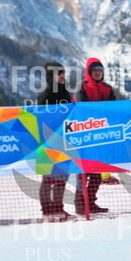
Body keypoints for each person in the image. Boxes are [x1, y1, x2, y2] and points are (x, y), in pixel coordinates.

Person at [74, 57, 116, 215]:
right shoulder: (82, 87)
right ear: (89, 72)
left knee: (97, 173)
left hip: (102, 136)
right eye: (95, 70)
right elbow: (81, 109)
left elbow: (115, 109)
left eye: (100, 70)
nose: (98, 73)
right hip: (84, 136)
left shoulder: (107, 88)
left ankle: (90, 202)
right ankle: (80, 204)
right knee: (83, 173)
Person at [37, 62, 74, 222]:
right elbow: (40, 119)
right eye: (58, 73)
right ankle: (47, 210)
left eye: (63, 72)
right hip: (48, 141)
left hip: (64, 140)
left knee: (62, 176)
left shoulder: (65, 92)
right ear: (50, 76)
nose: (62, 75)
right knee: (48, 177)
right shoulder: (45, 95)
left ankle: (58, 208)